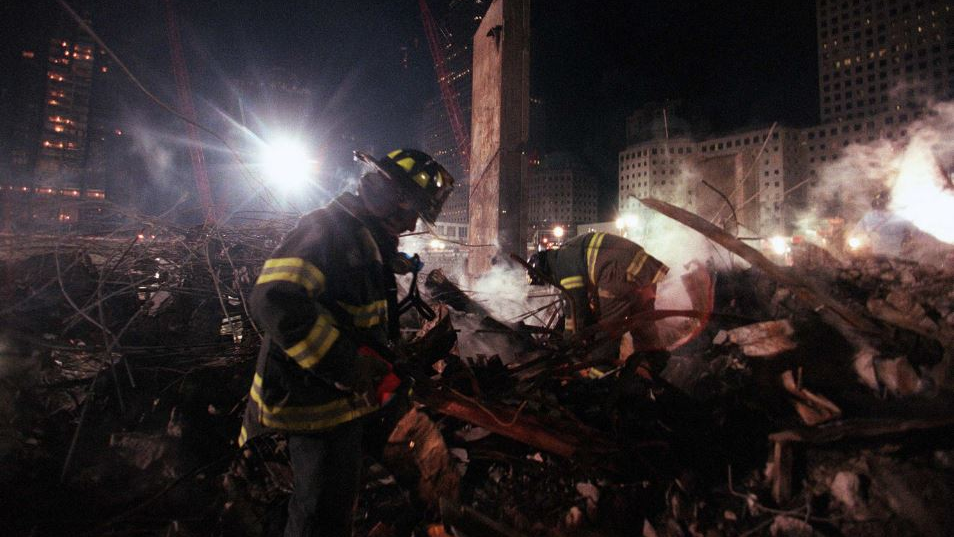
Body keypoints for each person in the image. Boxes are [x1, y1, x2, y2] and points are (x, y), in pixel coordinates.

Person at [238, 149, 454, 537]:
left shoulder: (362, 236)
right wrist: (347, 364)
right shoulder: (327, 229)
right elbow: (274, 297)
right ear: (388, 196)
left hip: (341, 402)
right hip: (307, 407)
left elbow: (350, 297)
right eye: (409, 211)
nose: (410, 224)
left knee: (343, 503)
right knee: (321, 517)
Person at [527, 231, 669, 377]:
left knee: (608, 329)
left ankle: (599, 378)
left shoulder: (561, 264)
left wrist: (570, 340)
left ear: (544, 272)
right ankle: (654, 366)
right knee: (642, 323)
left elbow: (576, 305)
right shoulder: (567, 251)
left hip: (616, 271)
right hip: (641, 266)